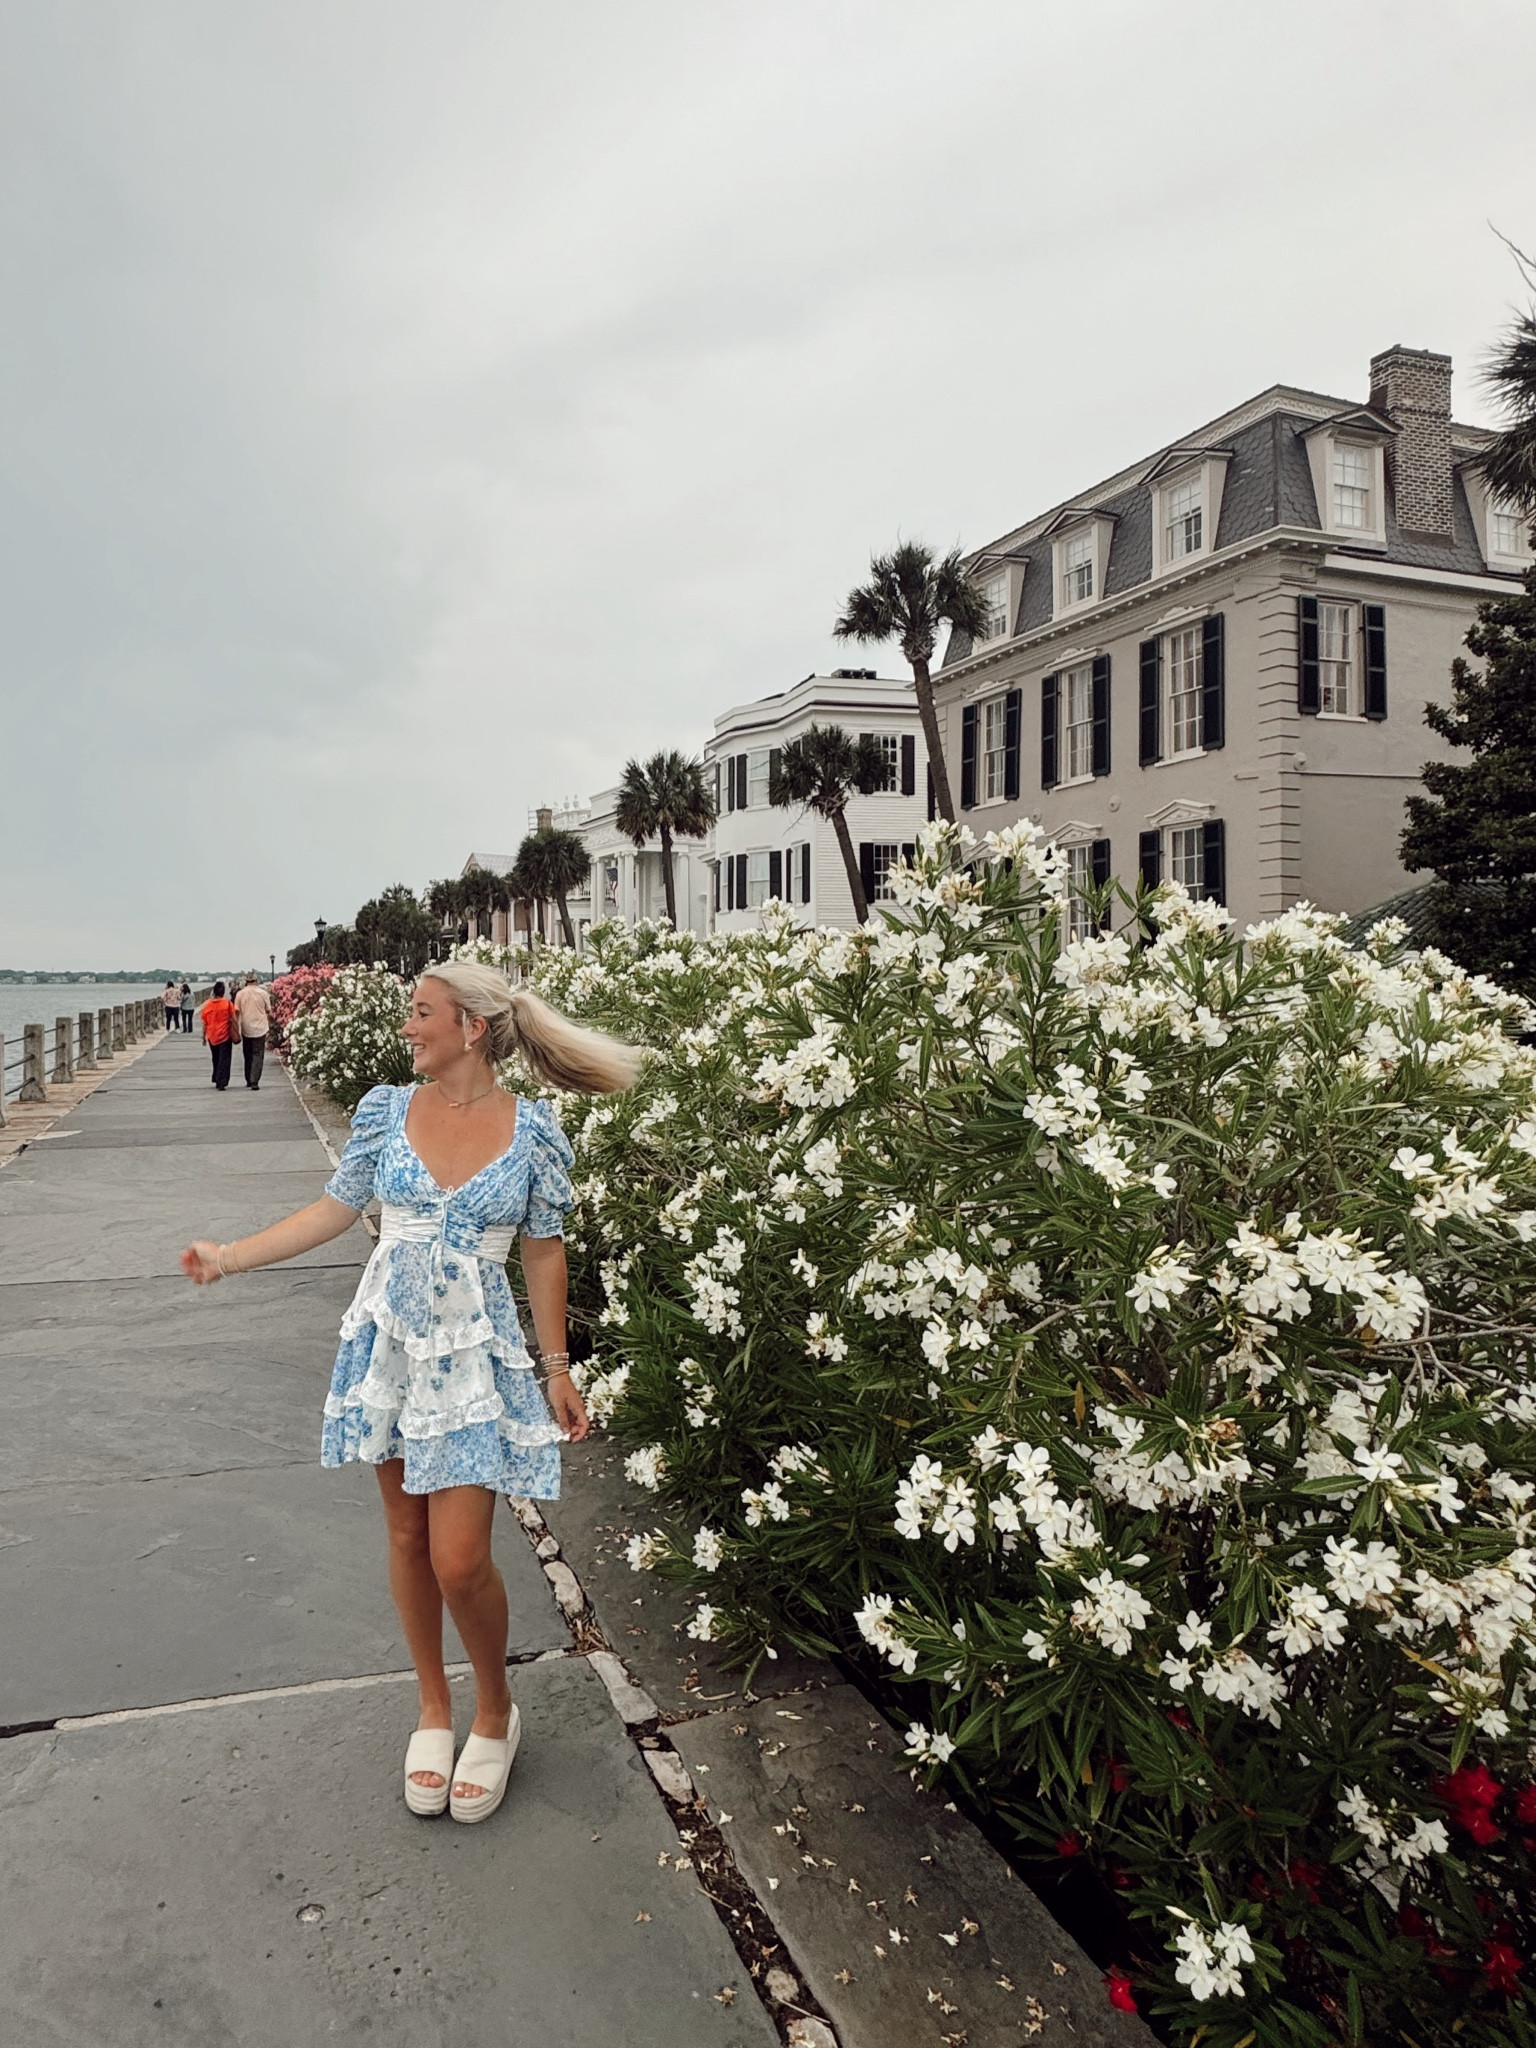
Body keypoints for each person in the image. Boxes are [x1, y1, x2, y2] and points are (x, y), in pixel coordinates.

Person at [179, 963, 638, 1823]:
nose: (406, 1028)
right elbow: (332, 1210)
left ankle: (495, 1711)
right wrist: (229, 1256)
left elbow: (543, 1252)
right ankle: (434, 1707)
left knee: (460, 1558)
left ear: (470, 1027)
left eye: (420, 1014)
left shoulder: (531, 1131)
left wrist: (557, 1369)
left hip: (473, 1361)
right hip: (391, 1348)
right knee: (404, 1531)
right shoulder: (388, 1112)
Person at [234, 972, 273, 1090]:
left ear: (246, 981)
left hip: (246, 1027)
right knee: (258, 1054)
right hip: (260, 1027)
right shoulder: (263, 993)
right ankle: (254, 1079)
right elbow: (268, 1010)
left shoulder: (240, 994)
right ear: (257, 981)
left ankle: (248, 1079)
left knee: (248, 1054)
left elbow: (236, 1011)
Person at [199, 980, 238, 1090]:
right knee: (224, 1059)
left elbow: (204, 1023)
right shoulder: (227, 1004)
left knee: (215, 1058)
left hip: (212, 1036)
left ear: (214, 992)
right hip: (224, 1035)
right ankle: (221, 1081)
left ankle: (216, 1076)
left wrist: (203, 1037)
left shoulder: (208, 1006)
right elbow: (234, 1018)